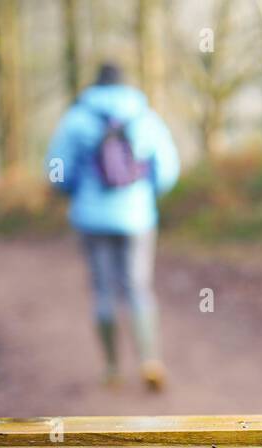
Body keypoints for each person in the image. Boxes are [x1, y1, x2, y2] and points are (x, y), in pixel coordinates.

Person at [46, 63, 180, 390]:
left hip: (91, 218)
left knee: (103, 290)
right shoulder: (145, 117)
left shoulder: (76, 119)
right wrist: (148, 193)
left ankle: (111, 368)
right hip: (136, 217)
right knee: (137, 286)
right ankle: (149, 360)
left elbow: (55, 170)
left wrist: (74, 191)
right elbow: (168, 169)